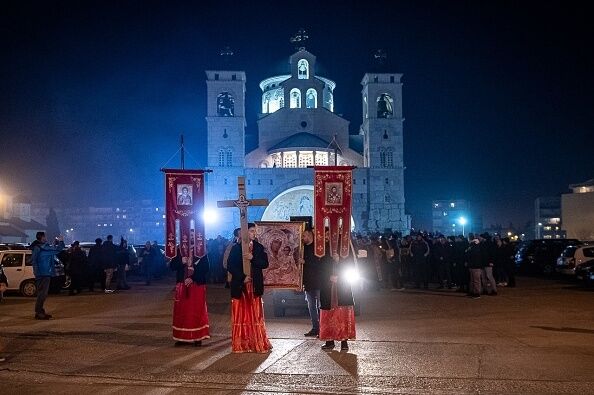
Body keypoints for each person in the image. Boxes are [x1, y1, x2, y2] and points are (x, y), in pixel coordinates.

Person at [227, 223, 272, 353]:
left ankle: (257, 341)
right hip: (241, 286)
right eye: (252, 231)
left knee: (255, 314)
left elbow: (264, 264)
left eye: (255, 231)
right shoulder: (236, 248)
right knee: (241, 314)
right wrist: (242, 277)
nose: (254, 233)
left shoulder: (259, 247)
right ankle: (242, 342)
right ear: (245, 232)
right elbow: (230, 265)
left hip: (254, 285)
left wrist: (253, 258)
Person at [319, 230, 356, 351]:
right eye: (327, 234)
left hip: (342, 286)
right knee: (328, 313)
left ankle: (344, 341)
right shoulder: (321, 248)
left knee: (342, 313)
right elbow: (319, 267)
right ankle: (329, 341)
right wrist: (327, 276)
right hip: (327, 286)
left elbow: (351, 265)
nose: (328, 237)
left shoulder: (345, 247)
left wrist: (339, 262)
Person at [170, 246, 210, 345]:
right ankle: (182, 337)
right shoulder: (179, 249)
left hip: (197, 285)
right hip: (182, 285)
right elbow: (172, 266)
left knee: (196, 311)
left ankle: (197, 337)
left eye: (193, 234)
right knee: (182, 311)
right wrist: (181, 262)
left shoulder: (201, 249)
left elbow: (206, 268)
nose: (191, 237)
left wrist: (193, 278)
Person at [30, 231, 65, 319]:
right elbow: (58, 249)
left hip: (41, 273)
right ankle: (39, 313)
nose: (46, 238)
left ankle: (40, 312)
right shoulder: (43, 248)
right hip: (43, 274)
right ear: (42, 238)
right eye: (45, 237)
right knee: (43, 294)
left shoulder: (37, 247)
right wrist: (61, 241)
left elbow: (34, 260)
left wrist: (36, 272)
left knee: (42, 294)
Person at [302, 227, 321, 337]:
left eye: (304, 236)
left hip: (318, 281)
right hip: (308, 282)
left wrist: (306, 262)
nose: (303, 238)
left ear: (309, 235)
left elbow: (319, 264)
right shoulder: (302, 248)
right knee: (311, 306)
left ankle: (323, 328)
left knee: (320, 306)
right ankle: (315, 328)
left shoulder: (318, 248)